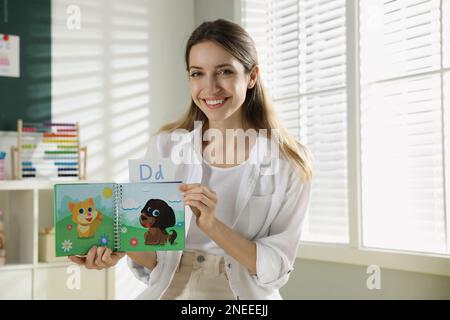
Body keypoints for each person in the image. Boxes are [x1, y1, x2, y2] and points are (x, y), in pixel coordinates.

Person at [69, 18, 313, 300]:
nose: (210, 88)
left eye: (224, 71)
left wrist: (213, 226)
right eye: (197, 73)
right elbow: (156, 259)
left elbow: (277, 268)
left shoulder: (289, 163)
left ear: (252, 76)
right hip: (171, 291)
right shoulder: (165, 148)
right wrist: (119, 250)